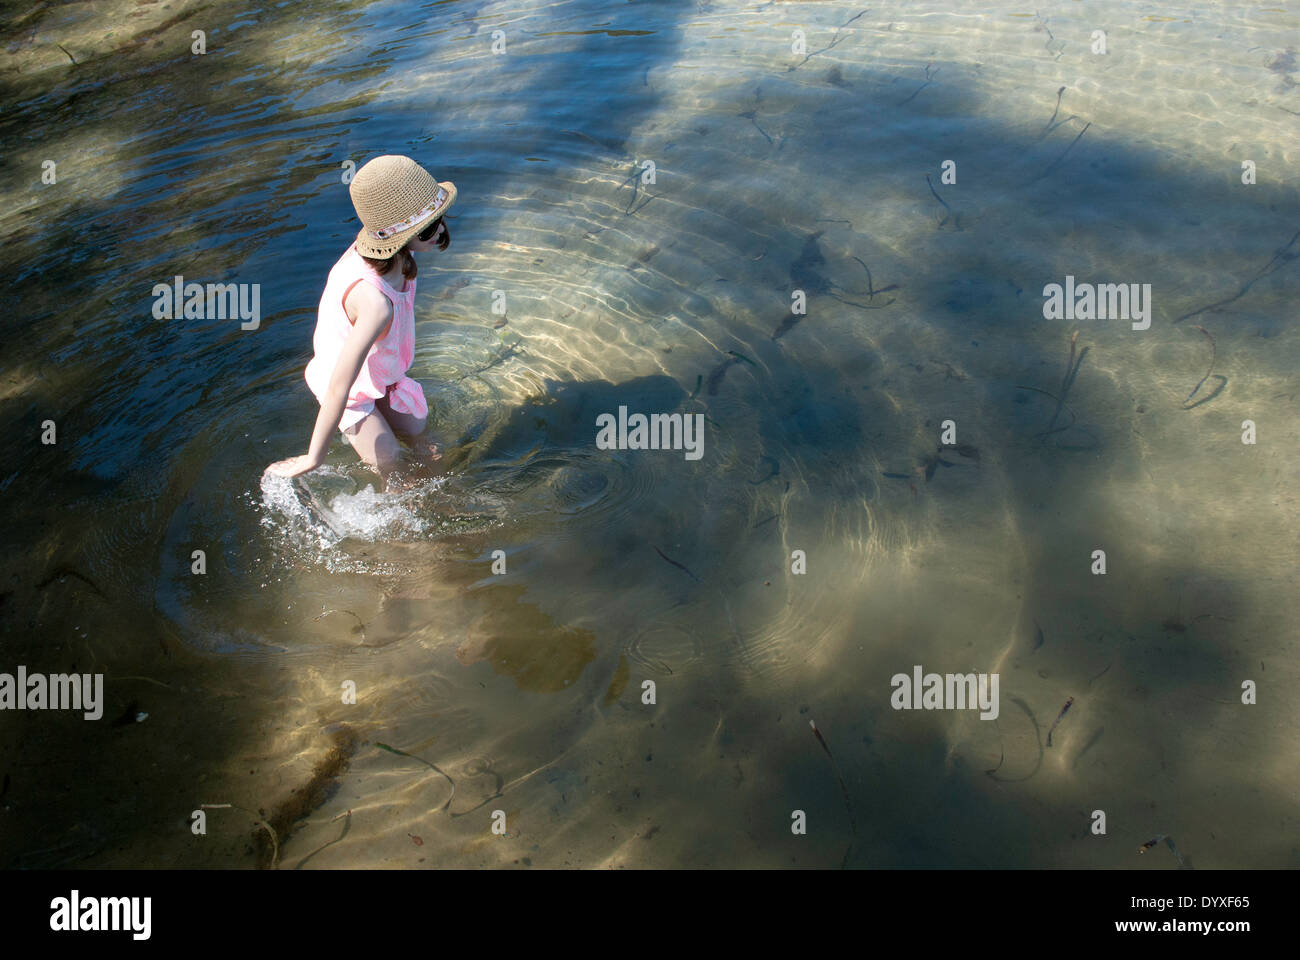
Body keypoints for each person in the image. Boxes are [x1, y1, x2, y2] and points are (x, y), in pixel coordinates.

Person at [266, 155, 456, 483]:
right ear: (396, 238)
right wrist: (313, 458)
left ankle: (447, 502)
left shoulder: (396, 252)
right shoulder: (375, 303)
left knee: (427, 442)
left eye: (439, 217)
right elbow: (340, 384)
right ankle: (401, 533)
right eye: (427, 228)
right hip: (347, 388)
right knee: (395, 469)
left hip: (380, 374)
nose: (439, 230)